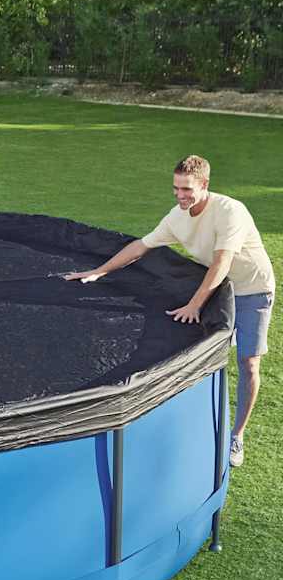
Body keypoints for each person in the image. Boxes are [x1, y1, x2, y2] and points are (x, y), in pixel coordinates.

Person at [64, 155, 274, 468]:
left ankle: (237, 436)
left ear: (204, 184)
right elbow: (141, 246)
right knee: (207, 352)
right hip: (218, 290)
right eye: (176, 188)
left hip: (252, 290)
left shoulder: (230, 211)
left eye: (186, 189)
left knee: (249, 362)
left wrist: (194, 305)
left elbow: (222, 263)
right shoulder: (178, 217)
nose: (179, 195)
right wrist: (99, 271)